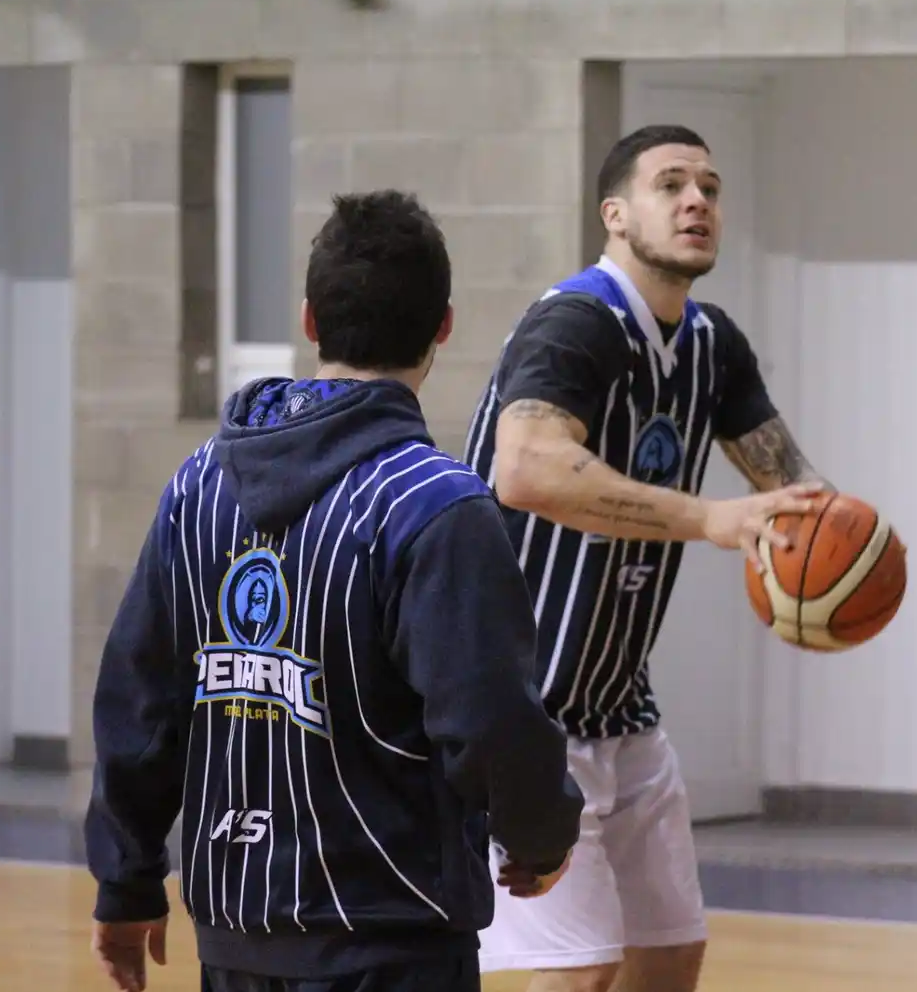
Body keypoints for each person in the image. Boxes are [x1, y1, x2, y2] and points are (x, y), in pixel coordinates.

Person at [83, 189, 585, 992]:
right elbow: (490, 720)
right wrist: (541, 833)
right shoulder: (438, 505)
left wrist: (126, 876)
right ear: (444, 327)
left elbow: (140, 705)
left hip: (235, 938)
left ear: (310, 319)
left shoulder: (195, 488)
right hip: (393, 939)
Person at [462, 125, 829, 991]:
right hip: (523, 701)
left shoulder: (712, 344)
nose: (698, 200)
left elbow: (795, 491)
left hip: (618, 705)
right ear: (616, 215)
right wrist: (709, 519)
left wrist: (842, 551)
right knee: (580, 969)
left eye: (709, 185)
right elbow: (526, 468)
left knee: (667, 959)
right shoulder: (576, 323)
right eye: (671, 185)